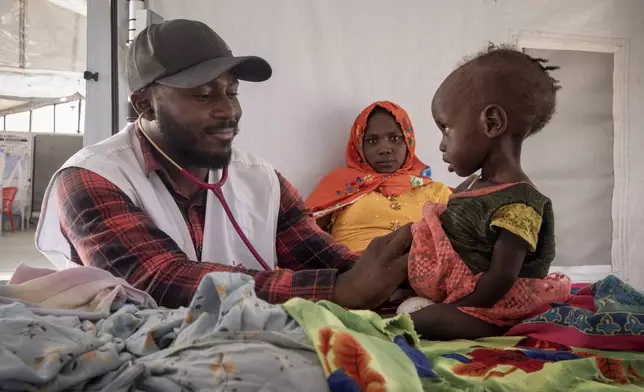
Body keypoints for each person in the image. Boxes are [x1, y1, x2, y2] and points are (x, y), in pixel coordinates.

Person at [35, 19, 412, 310]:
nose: (229, 110)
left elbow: (325, 256)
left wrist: (403, 272)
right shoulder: (92, 178)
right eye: (203, 95)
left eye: (231, 91)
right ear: (144, 105)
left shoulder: (262, 181)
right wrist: (337, 291)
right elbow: (155, 281)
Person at [403, 45, 571, 340]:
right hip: (461, 287)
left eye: (446, 129)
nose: (442, 144)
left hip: (493, 304)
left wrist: (459, 307)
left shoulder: (520, 202)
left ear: (491, 123)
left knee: (428, 321)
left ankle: (479, 325)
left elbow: (502, 278)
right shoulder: (472, 186)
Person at [306, 101, 452, 253]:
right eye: (372, 141)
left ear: (408, 141)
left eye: (395, 138)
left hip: (422, 270)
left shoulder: (437, 192)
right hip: (355, 272)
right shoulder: (340, 186)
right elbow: (302, 238)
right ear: (359, 146)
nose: (384, 149)